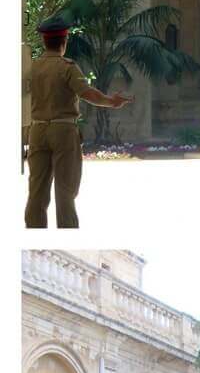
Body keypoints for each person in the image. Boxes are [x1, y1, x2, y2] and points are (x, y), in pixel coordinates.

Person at [24, 17, 134, 228]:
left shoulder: (33, 67)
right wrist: (112, 102)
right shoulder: (67, 66)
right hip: (63, 130)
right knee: (65, 192)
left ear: (45, 42)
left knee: (36, 192)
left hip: (37, 130)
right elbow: (88, 94)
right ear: (64, 41)